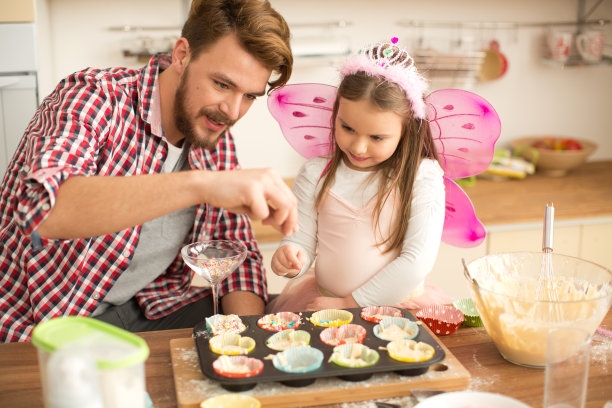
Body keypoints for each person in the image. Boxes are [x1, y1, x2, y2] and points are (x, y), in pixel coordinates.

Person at [0, 0, 297, 343]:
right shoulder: (92, 97)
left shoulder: (213, 130)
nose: (232, 110)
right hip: (42, 323)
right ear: (182, 55)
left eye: (249, 96)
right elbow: (43, 212)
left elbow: (237, 261)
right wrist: (201, 184)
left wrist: (246, 346)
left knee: (287, 320)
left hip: (147, 310)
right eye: (222, 84)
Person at [266, 39, 452, 313]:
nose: (358, 146)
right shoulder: (316, 173)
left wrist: (349, 304)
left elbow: (416, 262)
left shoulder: (421, 176)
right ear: (336, 115)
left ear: (407, 130)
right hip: (325, 306)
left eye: (377, 137)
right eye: (348, 128)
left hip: (396, 309)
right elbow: (301, 238)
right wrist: (292, 257)